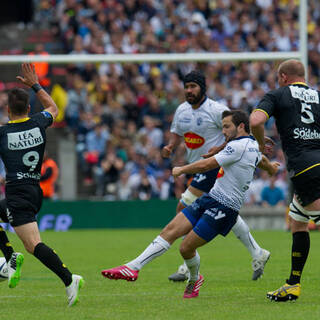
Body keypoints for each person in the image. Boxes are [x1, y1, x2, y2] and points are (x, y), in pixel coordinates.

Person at [101, 110, 279, 298]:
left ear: (241, 126)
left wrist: (181, 169)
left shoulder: (239, 147)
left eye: (227, 127)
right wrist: (271, 168)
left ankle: (195, 279)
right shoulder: (250, 146)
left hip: (224, 208)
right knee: (169, 230)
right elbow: (262, 160)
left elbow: (206, 165)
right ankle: (132, 267)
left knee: (185, 248)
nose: (223, 131)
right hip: (210, 198)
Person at [161, 70, 271, 282]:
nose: (189, 91)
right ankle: (257, 252)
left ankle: (187, 265)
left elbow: (235, 131)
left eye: (193, 86)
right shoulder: (182, 110)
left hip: (214, 165)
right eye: (186, 87)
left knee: (183, 207)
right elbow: (177, 133)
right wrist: (170, 146)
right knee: (225, 211)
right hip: (198, 165)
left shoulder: (217, 109)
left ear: (203, 88)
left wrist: (218, 150)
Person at [0, 63, 83, 306]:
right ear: (28, 108)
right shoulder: (39, 122)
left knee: (34, 246)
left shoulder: (3, 133)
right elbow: (54, 107)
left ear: (7, 110)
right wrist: (35, 84)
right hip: (35, 192)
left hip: (17, 194)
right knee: (31, 245)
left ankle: (69, 279)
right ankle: (10, 259)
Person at [250, 59, 320, 302]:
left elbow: (256, 121)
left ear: (282, 76)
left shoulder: (278, 94)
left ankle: (293, 284)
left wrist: (261, 143)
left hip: (304, 166)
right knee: (298, 221)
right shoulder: (318, 95)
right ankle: (293, 284)